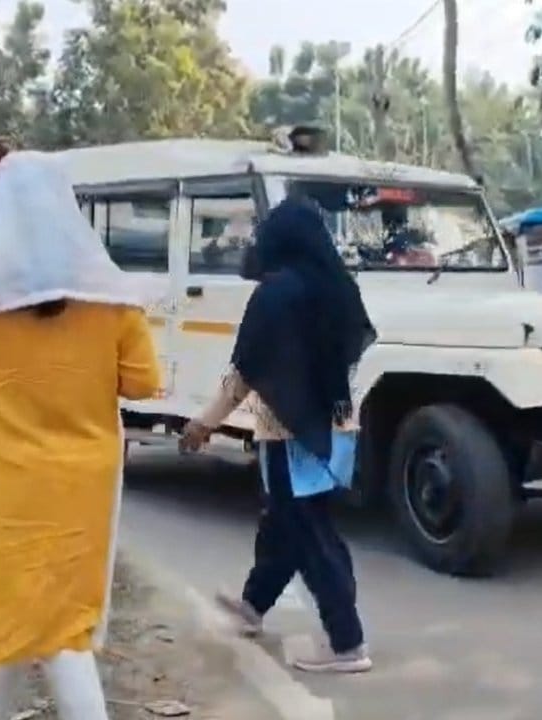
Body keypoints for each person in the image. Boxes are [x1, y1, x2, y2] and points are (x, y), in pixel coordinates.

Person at [0, 144, 162, 719]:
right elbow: (142, 385)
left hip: (1, 487)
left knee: (47, 628)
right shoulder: (111, 297)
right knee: (50, 620)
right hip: (80, 489)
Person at [179, 185, 377, 673]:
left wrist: (205, 423)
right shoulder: (336, 286)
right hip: (337, 425)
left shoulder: (275, 294)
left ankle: (347, 643)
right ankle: (253, 606)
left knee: (310, 535)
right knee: (285, 525)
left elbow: (246, 370)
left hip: (292, 434)